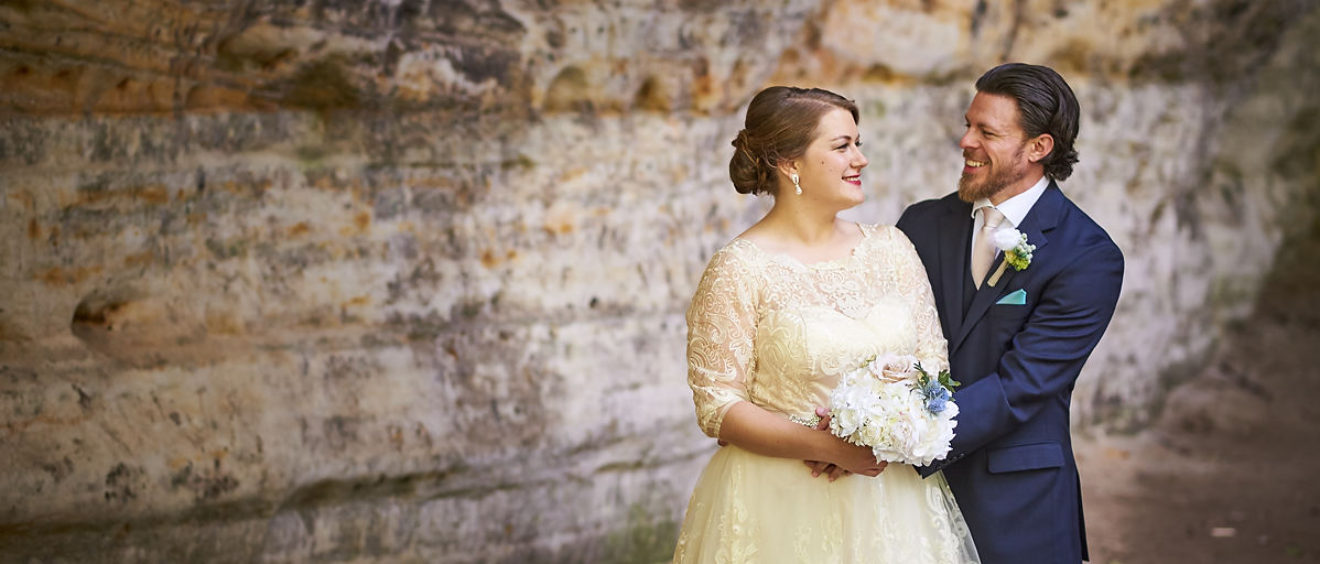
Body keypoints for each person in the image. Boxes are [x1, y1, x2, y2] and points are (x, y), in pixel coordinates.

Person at [672, 86, 980, 563]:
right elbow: (717, 406)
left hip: (890, 499)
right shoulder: (738, 268)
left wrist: (890, 430)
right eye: (842, 146)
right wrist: (825, 445)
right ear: (789, 164)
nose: (861, 159)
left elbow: (934, 367)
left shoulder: (892, 249)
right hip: (777, 501)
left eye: (858, 143)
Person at [895, 63, 1124, 563]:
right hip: (898, 498)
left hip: (1017, 500)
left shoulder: (1088, 255)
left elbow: (1021, 385)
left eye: (987, 132)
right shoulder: (920, 224)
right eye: (967, 124)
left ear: (1038, 148)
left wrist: (904, 438)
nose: (965, 141)